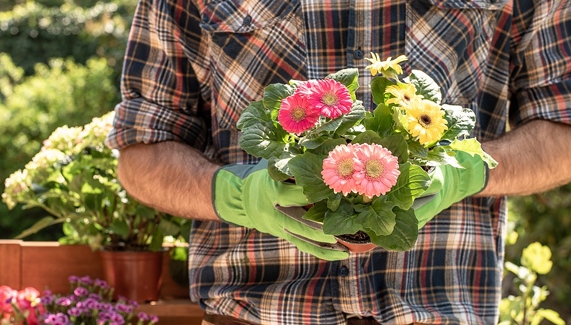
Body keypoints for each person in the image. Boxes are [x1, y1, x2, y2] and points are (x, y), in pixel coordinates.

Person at [105, 0, 571, 324]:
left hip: (437, 309)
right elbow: (144, 147)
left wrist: (467, 170)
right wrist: (237, 194)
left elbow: (561, 129)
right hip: (253, 313)